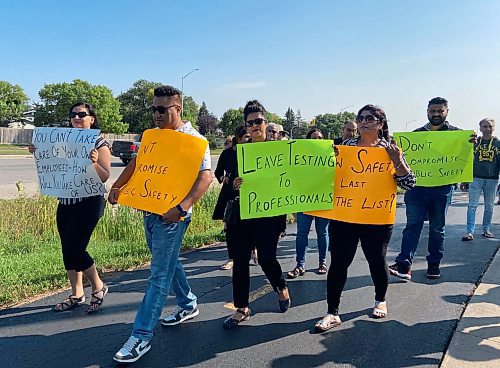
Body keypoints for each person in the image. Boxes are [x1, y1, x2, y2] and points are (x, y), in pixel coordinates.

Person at [110, 85, 212, 363]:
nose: (156, 114)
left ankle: (141, 336)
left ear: (177, 109)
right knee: (167, 262)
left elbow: (205, 177)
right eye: (153, 108)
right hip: (150, 210)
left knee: (158, 275)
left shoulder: (194, 140)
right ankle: (188, 304)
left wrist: (182, 208)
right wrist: (118, 186)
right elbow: (137, 163)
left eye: (161, 109)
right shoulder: (153, 137)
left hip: (173, 216)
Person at [315, 105, 416, 332]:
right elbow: (324, 175)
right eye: (360, 118)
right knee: (339, 263)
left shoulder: (389, 150)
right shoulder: (344, 147)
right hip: (345, 215)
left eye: (370, 118)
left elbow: (409, 183)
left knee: (376, 260)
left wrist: (397, 161)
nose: (364, 122)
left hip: (376, 217)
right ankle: (332, 312)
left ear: (380, 123)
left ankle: (380, 299)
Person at [29, 102, 111, 313]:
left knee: (76, 248)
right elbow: (53, 165)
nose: (76, 117)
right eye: (73, 114)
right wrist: (38, 152)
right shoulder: (61, 139)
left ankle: (98, 286)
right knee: (67, 249)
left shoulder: (98, 142)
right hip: (66, 201)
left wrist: (93, 163)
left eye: (82, 114)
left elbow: (104, 175)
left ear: (91, 118)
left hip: (90, 201)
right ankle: (76, 293)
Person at [389, 97, 474, 281]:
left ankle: (434, 264)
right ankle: (404, 264)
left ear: (447, 112)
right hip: (416, 189)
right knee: (412, 226)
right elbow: (404, 160)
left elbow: (464, 159)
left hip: (442, 189)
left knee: (437, 228)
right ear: (427, 112)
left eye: (439, 111)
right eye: (432, 111)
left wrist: (470, 145)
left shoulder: (458, 135)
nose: (436, 114)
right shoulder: (416, 135)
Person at [223, 100, 291, 329]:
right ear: (246, 125)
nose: (255, 126)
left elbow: (296, 177)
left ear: (266, 121)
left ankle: (281, 287)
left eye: (259, 121)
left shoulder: (281, 150)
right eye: (250, 123)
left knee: (266, 258)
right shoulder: (239, 150)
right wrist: (235, 182)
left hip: (270, 214)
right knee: (240, 260)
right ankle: (242, 308)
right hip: (243, 213)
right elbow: (228, 181)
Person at [287, 128, 330, 278]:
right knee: (302, 234)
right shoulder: (300, 157)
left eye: (320, 138)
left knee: (322, 233)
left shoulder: (329, 156)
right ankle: (300, 265)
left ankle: (322, 262)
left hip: (322, 200)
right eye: (314, 137)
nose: (317, 140)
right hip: (304, 200)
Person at [212, 126, 250, 270]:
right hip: (230, 194)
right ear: (238, 138)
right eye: (246, 137)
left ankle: (253, 251)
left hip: (249, 192)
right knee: (230, 227)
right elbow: (218, 171)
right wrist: (223, 177)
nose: (249, 139)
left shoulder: (252, 152)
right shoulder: (227, 153)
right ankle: (231, 258)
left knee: (249, 226)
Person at [462, 118, 500, 241]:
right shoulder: (474, 142)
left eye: (490, 126)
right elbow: (466, 160)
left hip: (492, 179)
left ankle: (486, 229)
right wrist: (464, 179)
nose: (487, 129)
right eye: (484, 126)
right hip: (476, 178)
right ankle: (469, 232)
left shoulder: (497, 143)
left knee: (489, 206)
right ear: (480, 128)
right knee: (472, 205)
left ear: (493, 128)